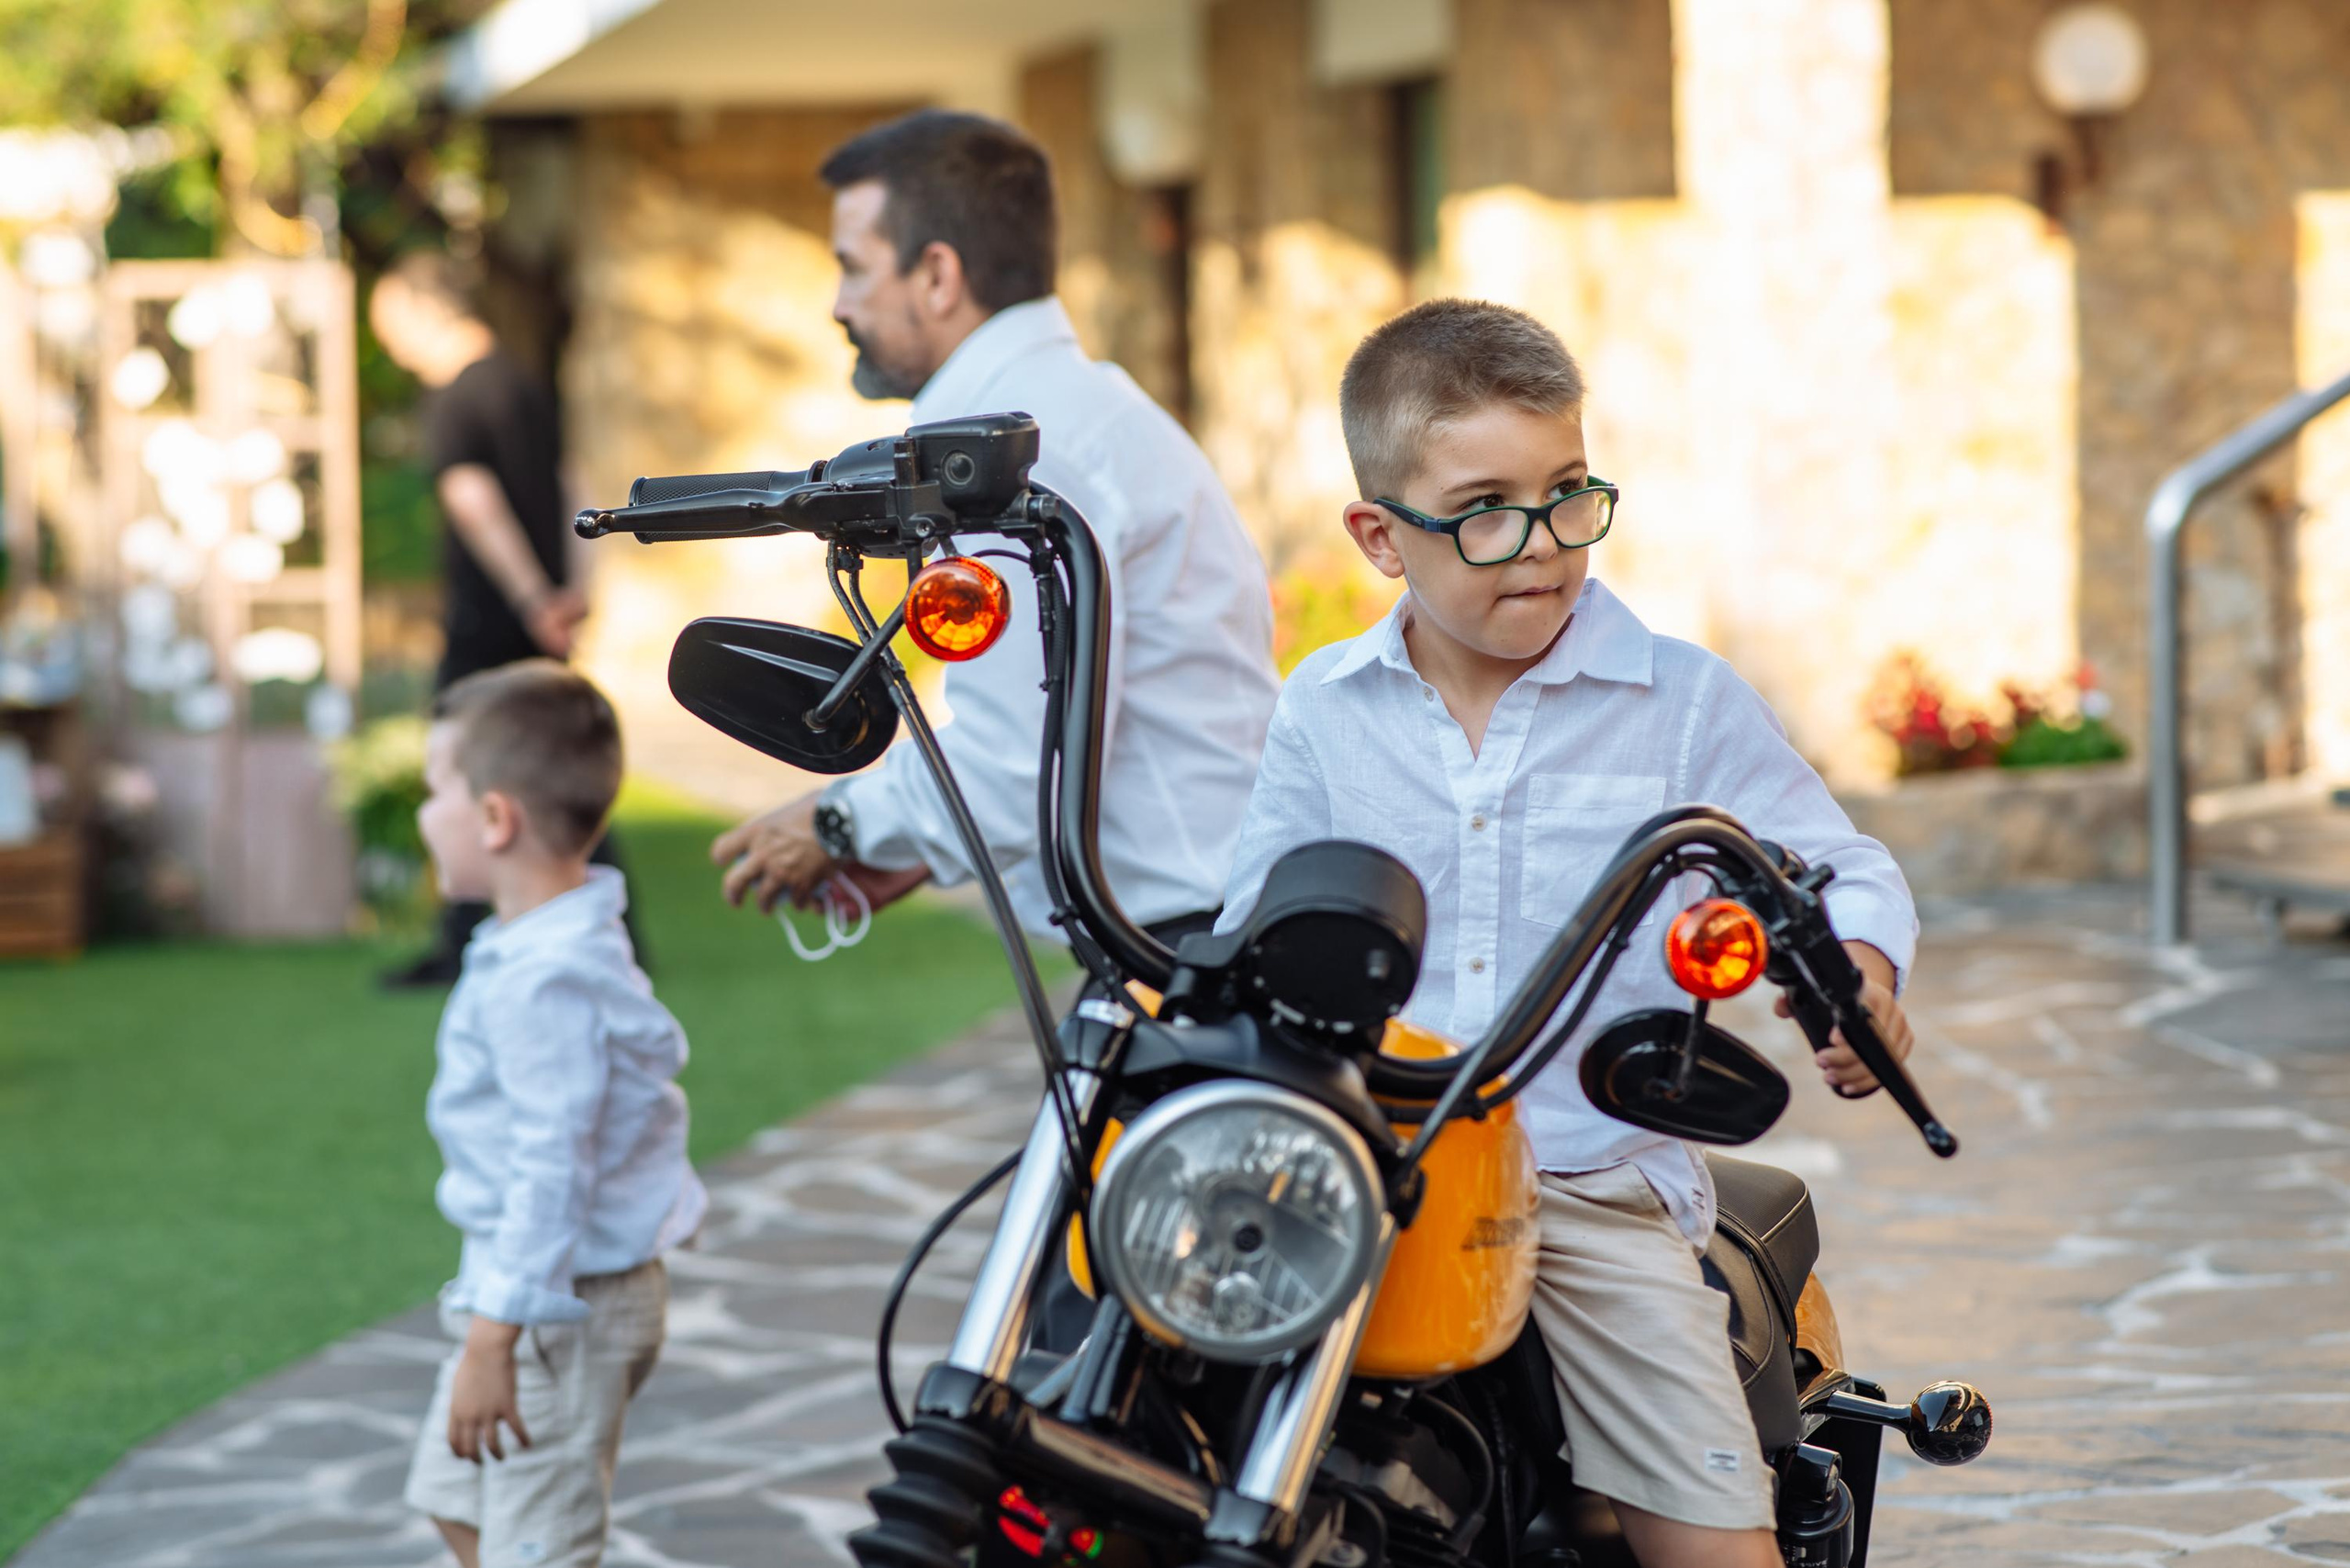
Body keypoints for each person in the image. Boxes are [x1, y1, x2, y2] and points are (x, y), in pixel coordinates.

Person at [1214, 299, 1922, 1568]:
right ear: (1380, 536)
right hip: (1373, 1175)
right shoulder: (1324, 707)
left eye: (1568, 495)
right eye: (1486, 508)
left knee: (1708, 1545)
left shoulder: (1679, 702)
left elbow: (1837, 867)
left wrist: (1855, 973)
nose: (1541, 544)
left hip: (1583, 1191)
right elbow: (1257, 921)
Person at [712, 110, 1279, 953]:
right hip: (1213, 920)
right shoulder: (1079, 406)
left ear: (937, 275)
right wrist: (916, 852)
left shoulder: (998, 449)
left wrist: (833, 823)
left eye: (853, 268)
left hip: (1192, 944)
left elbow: (1014, 762)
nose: (839, 304)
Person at [403, 660, 706, 1568]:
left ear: (495, 818)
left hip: (558, 1311)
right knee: (455, 1500)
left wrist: (496, 1337)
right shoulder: (553, 935)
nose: (423, 815)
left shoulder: (549, 979)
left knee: (533, 1551)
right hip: (520, 1289)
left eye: (432, 792)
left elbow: (553, 1163)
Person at [370, 251, 631, 987]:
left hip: (494, 618)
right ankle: (611, 926)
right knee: (557, 763)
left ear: (425, 311)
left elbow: (473, 502)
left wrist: (529, 599)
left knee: (464, 764)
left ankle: (462, 939)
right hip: (542, 613)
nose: (389, 343)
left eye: (389, 323)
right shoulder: (523, 381)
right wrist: (574, 588)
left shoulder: (454, 398)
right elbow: (574, 482)